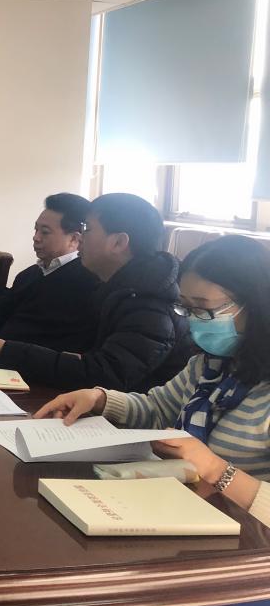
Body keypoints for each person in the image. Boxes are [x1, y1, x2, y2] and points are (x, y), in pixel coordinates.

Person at [36, 235, 270, 552]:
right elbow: (157, 409)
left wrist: (215, 469)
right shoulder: (210, 365)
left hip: (245, 550)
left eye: (203, 309)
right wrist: (100, 399)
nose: (194, 322)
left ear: (257, 305)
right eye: (186, 307)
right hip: (179, 514)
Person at [0, 193, 183, 392]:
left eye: (87, 229)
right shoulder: (115, 288)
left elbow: (104, 374)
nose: (80, 239)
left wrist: (10, 355)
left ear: (118, 243)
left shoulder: (150, 304)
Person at [0, 193, 100, 352]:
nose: (36, 237)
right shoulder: (29, 274)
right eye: (36, 229)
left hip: (19, 362)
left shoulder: (88, 283)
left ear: (74, 239)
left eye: (45, 232)